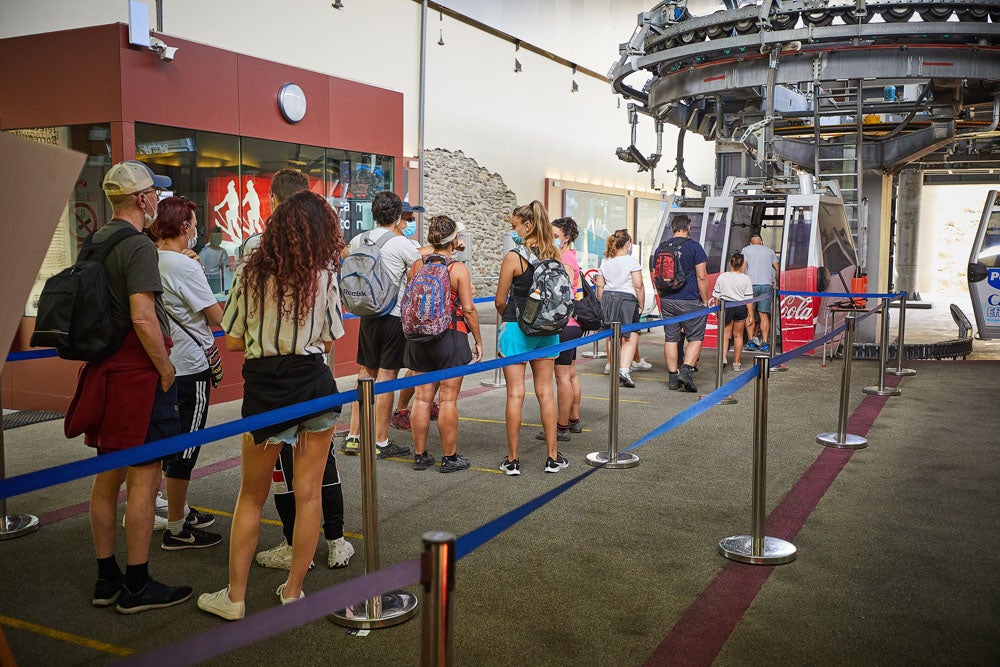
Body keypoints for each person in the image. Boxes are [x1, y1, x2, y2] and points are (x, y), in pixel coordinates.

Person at [198, 190, 346, 620]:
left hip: (264, 388)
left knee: (251, 495)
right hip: (314, 384)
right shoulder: (324, 276)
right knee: (308, 494)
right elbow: (331, 336)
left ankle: (235, 596)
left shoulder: (249, 273)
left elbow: (232, 339)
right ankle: (293, 592)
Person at [73, 160, 192, 613]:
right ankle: (139, 585)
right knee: (145, 479)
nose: (158, 198)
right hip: (137, 374)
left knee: (108, 476)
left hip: (104, 368)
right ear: (142, 199)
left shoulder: (95, 241)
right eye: (155, 193)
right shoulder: (138, 247)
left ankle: (107, 578)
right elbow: (144, 316)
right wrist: (165, 370)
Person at [249, 168, 354, 572]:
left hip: (269, 377)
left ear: (274, 201)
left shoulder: (254, 253)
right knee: (319, 469)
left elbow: (237, 332)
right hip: (312, 373)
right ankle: (334, 541)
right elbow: (331, 336)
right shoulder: (325, 257)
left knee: (279, 471)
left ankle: (295, 549)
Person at [151, 196, 224, 551]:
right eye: (194, 223)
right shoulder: (185, 266)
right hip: (189, 365)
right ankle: (177, 528)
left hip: (160, 362)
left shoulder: (150, 257)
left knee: (161, 441)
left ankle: (166, 509)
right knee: (185, 446)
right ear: (183, 227)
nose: (197, 229)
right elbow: (218, 316)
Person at [340, 191, 420, 459]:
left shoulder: (357, 240)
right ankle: (380, 441)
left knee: (365, 373)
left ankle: (353, 436)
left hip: (367, 315)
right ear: (397, 217)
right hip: (393, 317)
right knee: (387, 377)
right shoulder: (402, 244)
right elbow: (417, 281)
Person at [405, 215, 483, 472]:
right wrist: (478, 340)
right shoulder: (457, 269)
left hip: (419, 340)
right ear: (455, 241)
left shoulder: (418, 265)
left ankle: (420, 455)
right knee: (448, 400)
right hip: (451, 336)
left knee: (422, 398)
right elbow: (469, 309)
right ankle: (449, 458)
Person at [495, 201, 568, 475]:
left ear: (527, 226)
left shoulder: (514, 257)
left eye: (515, 226)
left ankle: (512, 459)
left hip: (517, 329)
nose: (513, 231)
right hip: (549, 332)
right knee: (546, 393)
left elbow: (500, 301)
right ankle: (552, 456)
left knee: (515, 394)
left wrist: (514, 316)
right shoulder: (555, 255)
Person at [653, 214, 709, 393]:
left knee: (671, 338)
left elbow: (656, 274)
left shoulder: (661, 248)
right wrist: (705, 300)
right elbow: (701, 276)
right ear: (688, 227)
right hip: (690, 300)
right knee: (695, 338)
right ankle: (686, 370)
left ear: (673, 227)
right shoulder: (694, 247)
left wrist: (662, 296)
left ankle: (672, 378)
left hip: (667, 300)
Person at [541, 216, 584, 442]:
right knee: (570, 375)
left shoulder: (565, 259)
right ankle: (573, 418)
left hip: (564, 325)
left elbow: (562, 294)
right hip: (572, 324)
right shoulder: (570, 257)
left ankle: (562, 425)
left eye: (556, 236)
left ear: (566, 238)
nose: (552, 239)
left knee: (562, 377)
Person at [596, 229, 645, 389]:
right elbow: (638, 285)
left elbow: (600, 284)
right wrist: (641, 303)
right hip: (627, 299)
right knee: (630, 336)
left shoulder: (606, 260)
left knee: (611, 335)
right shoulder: (631, 261)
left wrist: (601, 301)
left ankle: (611, 365)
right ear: (628, 244)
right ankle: (624, 370)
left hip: (608, 297)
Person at [712, 253, 755, 372]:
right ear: (742, 265)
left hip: (726, 306)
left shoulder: (722, 276)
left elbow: (716, 295)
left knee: (725, 335)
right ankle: (736, 363)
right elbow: (749, 299)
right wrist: (750, 315)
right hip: (740, 307)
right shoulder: (746, 279)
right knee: (738, 335)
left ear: (730, 263)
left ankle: (723, 359)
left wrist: (717, 310)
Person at [741, 233, 779, 351]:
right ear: (761, 242)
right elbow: (777, 268)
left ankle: (751, 341)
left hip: (751, 285)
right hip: (766, 285)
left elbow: (743, 266)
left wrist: (741, 281)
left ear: (751, 243)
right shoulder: (770, 251)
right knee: (764, 315)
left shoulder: (746, 249)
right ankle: (765, 342)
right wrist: (776, 283)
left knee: (750, 313)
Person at [199, 229, 229, 294]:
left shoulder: (203, 250)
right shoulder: (222, 252)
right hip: (216, 280)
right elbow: (226, 268)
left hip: (205, 279)